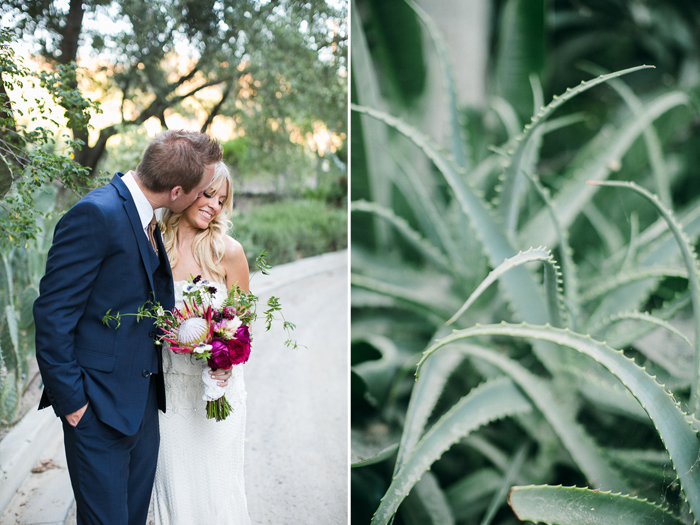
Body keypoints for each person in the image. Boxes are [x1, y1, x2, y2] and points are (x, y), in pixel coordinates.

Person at [33, 130, 222, 525]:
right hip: (96, 410)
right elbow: (52, 315)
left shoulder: (148, 217)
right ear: (176, 192)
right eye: (201, 190)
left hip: (141, 408)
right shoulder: (96, 214)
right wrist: (75, 407)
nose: (205, 198)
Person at [153, 161, 251, 524]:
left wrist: (227, 358)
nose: (214, 205)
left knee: (218, 491)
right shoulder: (154, 248)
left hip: (218, 392)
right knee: (176, 493)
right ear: (184, 190)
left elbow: (242, 320)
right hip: (170, 395)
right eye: (208, 193)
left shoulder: (228, 251)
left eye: (222, 199)